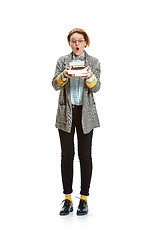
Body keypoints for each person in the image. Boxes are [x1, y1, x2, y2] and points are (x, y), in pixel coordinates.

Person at [52, 28, 101, 215]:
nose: (77, 44)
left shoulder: (94, 62)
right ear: (69, 43)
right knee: (67, 156)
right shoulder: (62, 61)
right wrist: (64, 75)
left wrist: (90, 76)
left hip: (86, 113)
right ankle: (67, 199)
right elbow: (54, 85)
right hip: (66, 112)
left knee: (85, 156)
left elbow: (97, 87)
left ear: (85, 42)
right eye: (74, 41)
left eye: (80, 41)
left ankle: (84, 199)